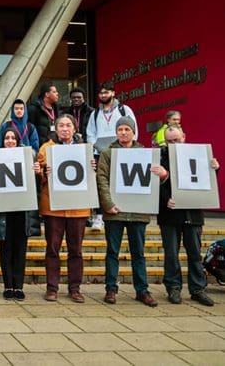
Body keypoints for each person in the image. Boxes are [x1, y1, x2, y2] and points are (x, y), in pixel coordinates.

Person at [97, 116, 164, 307]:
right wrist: (108, 203)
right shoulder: (108, 153)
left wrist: (161, 175)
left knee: (139, 253)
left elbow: (153, 183)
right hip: (114, 212)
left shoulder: (145, 153)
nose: (123, 132)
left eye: (127, 129)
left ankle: (142, 290)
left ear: (133, 131)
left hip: (138, 212)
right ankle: (111, 289)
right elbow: (102, 179)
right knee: (112, 252)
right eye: (120, 129)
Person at [157, 125, 217, 306]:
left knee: (194, 253)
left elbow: (205, 181)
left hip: (193, 213)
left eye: (177, 139)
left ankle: (198, 289)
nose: (174, 143)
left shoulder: (199, 155)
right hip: (170, 215)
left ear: (184, 136)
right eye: (170, 141)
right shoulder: (160, 157)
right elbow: (150, 186)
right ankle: (173, 288)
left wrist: (215, 167)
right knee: (171, 254)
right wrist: (165, 199)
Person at [37, 114, 92, 302]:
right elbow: (41, 176)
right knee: (53, 249)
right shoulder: (46, 149)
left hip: (78, 208)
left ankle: (75, 288)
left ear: (75, 129)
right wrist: (43, 172)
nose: (65, 129)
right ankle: (52, 288)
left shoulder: (84, 150)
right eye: (61, 125)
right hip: (53, 207)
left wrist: (92, 166)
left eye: (68, 125)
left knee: (75, 250)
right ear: (56, 129)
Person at [0, 129, 41, 301]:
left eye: (13, 138)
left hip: (22, 212)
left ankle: (19, 286)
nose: (10, 140)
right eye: (7, 138)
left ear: (18, 140)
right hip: (3, 213)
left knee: (20, 250)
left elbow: (36, 187)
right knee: (6, 249)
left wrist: (37, 173)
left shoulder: (28, 157)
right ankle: (8, 285)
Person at [86, 84, 137, 231]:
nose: (103, 95)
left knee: (120, 181)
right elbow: (90, 133)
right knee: (99, 183)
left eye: (106, 92)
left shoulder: (124, 110)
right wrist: (96, 146)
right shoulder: (95, 113)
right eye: (100, 93)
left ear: (113, 93)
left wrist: (129, 147)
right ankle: (98, 216)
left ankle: (123, 210)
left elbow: (133, 129)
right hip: (100, 153)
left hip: (122, 152)